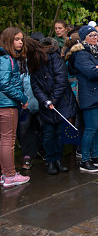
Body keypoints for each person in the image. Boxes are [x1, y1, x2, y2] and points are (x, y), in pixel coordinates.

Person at [65, 25, 98, 172]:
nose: (94, 37)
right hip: (89, 95)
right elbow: (92, 73)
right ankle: (85, 159)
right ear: (83, 38)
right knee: (90, 129)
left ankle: (95, 155)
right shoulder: (81, 54)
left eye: (95, 35)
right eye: (91, 35)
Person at [27, 38, 78, 175]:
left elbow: (61, 79)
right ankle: (50, 161)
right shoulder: (32, 62)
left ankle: (59, 160)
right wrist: (45, 101)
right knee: (48, 134)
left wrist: (53, 100)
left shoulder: (54, 57)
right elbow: (35, 85)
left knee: (59, 133)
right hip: (46, 105)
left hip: (60, 102)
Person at [0, 27, 30, 188]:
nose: (20, 42)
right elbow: (4, 83)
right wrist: (22, 98)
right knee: (7, 140)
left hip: (5, 104)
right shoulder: (6, 59)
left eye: (21, 39)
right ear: (8, 40)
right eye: (17, 39)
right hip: (7, 105)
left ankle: (6, 173)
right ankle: (10, 175)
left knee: (4, 140)